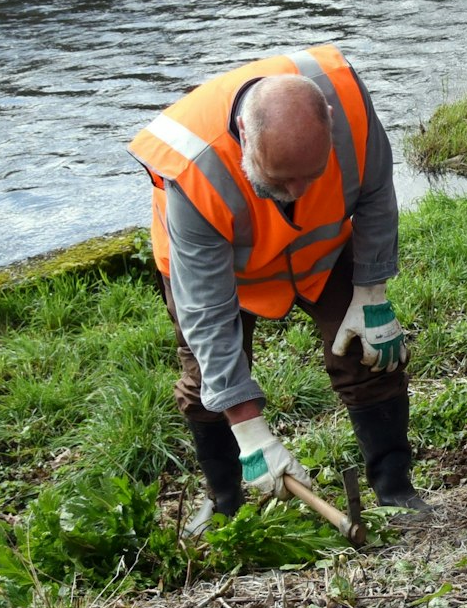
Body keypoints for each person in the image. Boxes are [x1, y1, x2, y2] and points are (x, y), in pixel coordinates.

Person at [128, 45, 431, 534]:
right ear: (245, 135)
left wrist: (371, 293)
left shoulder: (350, 107)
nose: (295, 193)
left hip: (322, 250)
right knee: (206, 381)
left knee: (369, 354)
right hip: (219, 267)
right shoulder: (193, 167)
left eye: (308, 177)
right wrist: (251, 434)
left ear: (328, 122)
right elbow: (207, 314)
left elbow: (375, 194)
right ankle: (225, 501)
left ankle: (396, 489)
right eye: (278, 179)